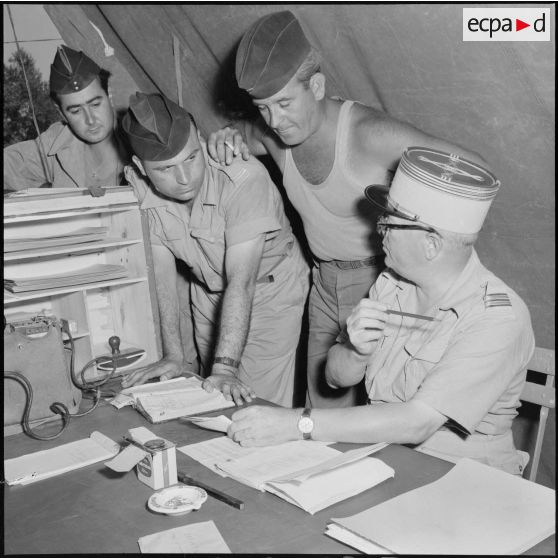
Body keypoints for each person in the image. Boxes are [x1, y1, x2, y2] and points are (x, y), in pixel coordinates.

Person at [207, 10, 489, 409]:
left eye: (285, 103)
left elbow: (476, 172)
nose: (275, 120)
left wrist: (422, 230)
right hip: (322, 285)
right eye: (264, 107)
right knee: (321, 416)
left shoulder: (370, 134)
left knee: (384, 417)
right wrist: (225, 137)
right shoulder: (271, 132)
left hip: (380, 284)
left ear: (317, 86)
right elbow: (242, 135)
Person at [226, 147, 535, 476]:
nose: (379, 229)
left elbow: (417, 423)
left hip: (466, 477)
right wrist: (355, 351)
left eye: (391, 223)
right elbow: (335, 377)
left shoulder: (497, 317)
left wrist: (296, 423)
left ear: (431, 245)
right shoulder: (392, 283)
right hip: (389, 457)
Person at [120, 92, 309, 408]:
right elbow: (163, 279)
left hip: (268, 292)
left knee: (257, 406)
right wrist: (174, 355)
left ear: (200, 139)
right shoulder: (141, 192)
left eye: (191, 158)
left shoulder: (243, 179)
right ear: (140, 167)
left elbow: (242, 281)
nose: (183, 179)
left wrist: (224, 368)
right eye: (165, 169)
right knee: (215, 402)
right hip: (207, 294)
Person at [4, 45, 127, 193]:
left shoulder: (140, 138)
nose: (90, 120)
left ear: (109, 95)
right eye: (76, 111)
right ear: (61, 113)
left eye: (95, 104)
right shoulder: (55, 144)